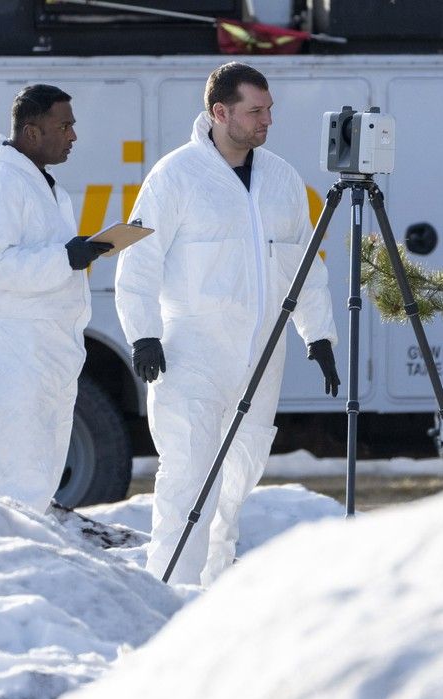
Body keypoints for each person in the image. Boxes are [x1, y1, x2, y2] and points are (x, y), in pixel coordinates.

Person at [115, 62, 340, 585]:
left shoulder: (281, 179)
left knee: (239, 473)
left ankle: (214, 590)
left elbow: (303, 264)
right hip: (192, 350)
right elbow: (139, 260)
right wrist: (143, 332)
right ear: (220, 113)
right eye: (255, 111)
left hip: (261, 355)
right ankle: (171, 589)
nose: (267, 121)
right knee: (189, 476)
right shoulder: (176, 177)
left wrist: (319, 334)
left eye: (269, 110)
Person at [0, 84, 111, 512]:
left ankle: (32, 559)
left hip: (48, 346)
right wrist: (66, 258)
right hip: (20, 345)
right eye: (65, 125)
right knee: (13, 477)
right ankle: (3, 564)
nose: (73, 136)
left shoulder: (43, 186)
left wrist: (73, 255)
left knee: (39, 476)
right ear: (32, 132)